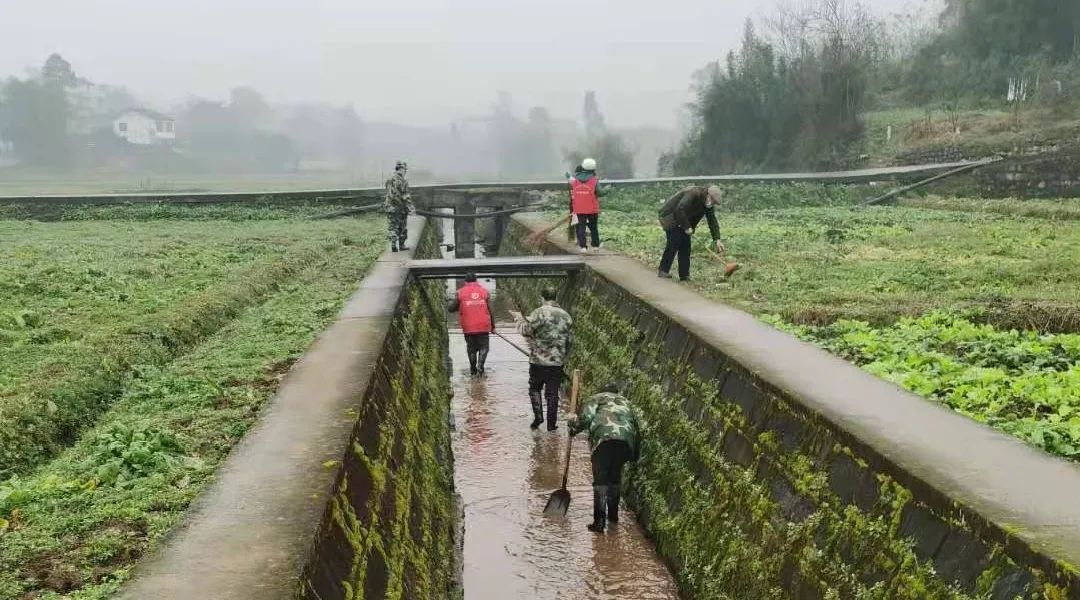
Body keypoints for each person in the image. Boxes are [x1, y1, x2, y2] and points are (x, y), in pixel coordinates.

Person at [568, 383, 641, 533]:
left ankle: (599, 522)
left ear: (601, 391)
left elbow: (586, 419)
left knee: (601, 481)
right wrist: (634, 455)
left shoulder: (596, 398)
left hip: (604, 440)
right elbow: (637, 428)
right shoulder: (626, 402)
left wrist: (573, 427)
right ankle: (613, 518)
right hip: (626, 442)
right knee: (614, 478)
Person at [511, 286, 572, 431]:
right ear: (555, 297)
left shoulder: (538, 313)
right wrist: (564, 356)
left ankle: (538, 417)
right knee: (553, 393)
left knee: (535, 388)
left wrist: (519, 320)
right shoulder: (566, 316)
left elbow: (526, 332)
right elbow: (569, 340)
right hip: (557, 362)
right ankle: (551, 425)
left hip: (538, 361)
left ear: (542, 298)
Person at [657, 184, 728, 281]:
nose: (712, 204)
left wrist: (717, 239)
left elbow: (712, 221)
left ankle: (684, 275)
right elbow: (680, 209)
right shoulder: (694, 193)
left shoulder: (708, 204)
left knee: (686, 246)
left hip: (683, 220)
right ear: (708, 195)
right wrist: (687, 227)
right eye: (713, 201)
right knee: (674, 242)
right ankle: (663, 271)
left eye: (714, 203)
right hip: (669, 216)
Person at [447, 273, 495, 376]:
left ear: (466, 282)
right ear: (476, 281)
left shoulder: (460, 293)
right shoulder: (484, 292)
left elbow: (450, 309)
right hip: (483, 326)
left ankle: (473, 370)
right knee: (484, 347)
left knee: (471, 348)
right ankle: (480, 366)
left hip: (468, 327)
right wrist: (493, 326)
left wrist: (456, 304)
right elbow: (490, 310)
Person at [568, 157, 609, 253]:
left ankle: (583, 247)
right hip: (592, 209)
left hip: (578, 208)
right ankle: (595, 246)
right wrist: (608, 189)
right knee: (593, 227)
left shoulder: (574, 180)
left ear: (583, 167)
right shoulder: (594, 180)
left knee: (580, 227)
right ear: (593, 169)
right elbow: (601, 193)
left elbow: (569, 178)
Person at [384, 160, 413, 252]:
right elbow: (405, 196)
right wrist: (411, 208)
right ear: (401, 169)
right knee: (402, 226)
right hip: (400, 208)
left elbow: (388, 193)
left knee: (392, 226)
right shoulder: (403, 181)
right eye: (405, 170)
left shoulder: (389, 179)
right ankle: (402, 245)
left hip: (390, 208)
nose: (405, 172)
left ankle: (393, 244)